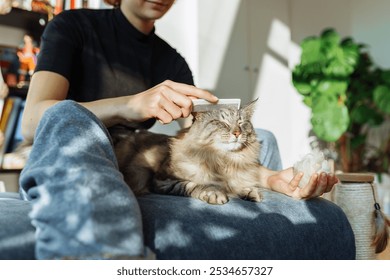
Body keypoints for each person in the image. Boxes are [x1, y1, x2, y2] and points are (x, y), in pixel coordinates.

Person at [12, 0, 339, 259]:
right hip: (77, 150)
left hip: (137, 154)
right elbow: (32, 123)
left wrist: (271, 178)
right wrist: (130, 105)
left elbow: (197, 139)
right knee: (70, 116)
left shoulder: (172, 62)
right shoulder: (72, 26)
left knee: (261, 137)